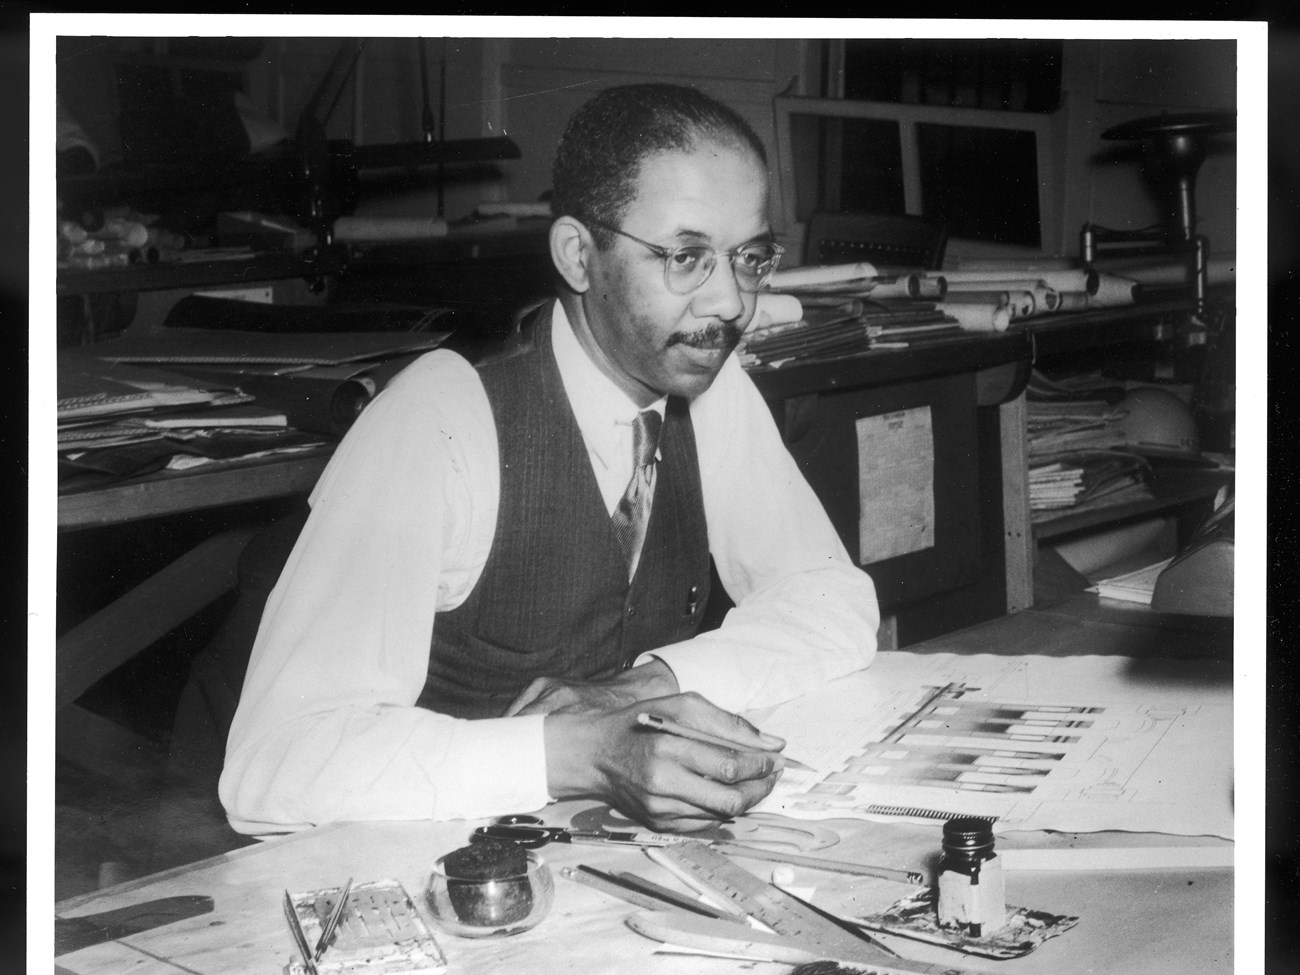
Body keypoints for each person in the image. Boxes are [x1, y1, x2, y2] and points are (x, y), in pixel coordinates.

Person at [219, 83, 879, 836]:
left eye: (750, 258)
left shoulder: (707, 385)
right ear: (578, 254)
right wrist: (566, 754)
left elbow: (834, 603)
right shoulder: (440, 419)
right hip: (407, 869)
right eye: (687, 257)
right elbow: (275, 766)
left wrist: (649, 686)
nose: (730, 301)